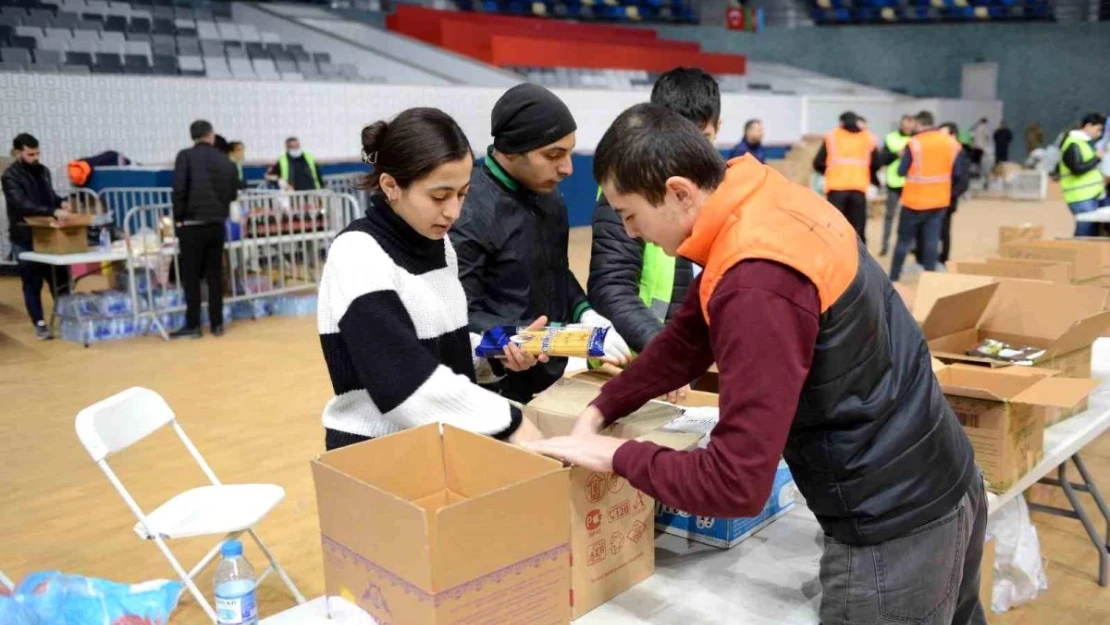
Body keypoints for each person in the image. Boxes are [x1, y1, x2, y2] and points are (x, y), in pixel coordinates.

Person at [526, 103, 986, 625]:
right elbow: (688, 338)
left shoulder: (757, 282)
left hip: (894, 528)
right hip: (937, 472)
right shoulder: (758, 200)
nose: (629, 233)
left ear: (679, 191)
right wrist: (603, 407)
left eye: (630, 214)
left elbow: (734, 484)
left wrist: (616, 456)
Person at [316, 107, 547, 451]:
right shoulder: (357, 254)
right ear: (391, 186)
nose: (454, 211)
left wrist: (495, 350)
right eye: (439, 196)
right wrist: (509, 419)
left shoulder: (439, 246)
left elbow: (439, 350)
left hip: (435, 443)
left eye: (463, 193)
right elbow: (403, 381)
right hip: (375, 453)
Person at [452, 83, 631, 403]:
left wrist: (586, 313)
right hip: (491, 390)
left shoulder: (551, 200)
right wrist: (555, 339)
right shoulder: (468, 211)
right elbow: (462, 315)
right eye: (553, 155)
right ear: (510, 151)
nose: (567, 168)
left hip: (549, 378)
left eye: (569, 152)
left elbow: (556, 272)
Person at [588, 67, 717, 403]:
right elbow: (611, 286)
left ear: (717, 129)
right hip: (641, 365)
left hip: (694, 361)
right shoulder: (625, 194)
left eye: (701, 141)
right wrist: (663, 349)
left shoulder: (718, 189)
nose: (688, 158)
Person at [171, 119, 239, 339]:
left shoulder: (185, 157)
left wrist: (178, 218)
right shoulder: (225, 160)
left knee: (191, 276)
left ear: (192, 136)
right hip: (217, 224)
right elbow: (231, 193)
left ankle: (193, 325)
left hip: (191, 225)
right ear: (211, 135)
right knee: (214, 275)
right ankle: (217, 324)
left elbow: (179, 189)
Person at [1, 133, 71, 340]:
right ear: (17, 153)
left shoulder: (43, 172)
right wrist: (52, 211)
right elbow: (21, 205)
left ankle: (66, 316)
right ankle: (39, 323)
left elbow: (49, 196)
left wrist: (60, 203)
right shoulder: (10, 177)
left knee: (60, 279)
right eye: (31, 154)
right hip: (24, 236)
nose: (36, 157)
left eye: (37, 153)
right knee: (32, 282)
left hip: (48, 235)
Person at [889, 110, 966, 282]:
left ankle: (893, 277)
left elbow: (902, 171)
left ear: (919, 124)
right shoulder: (952, 144)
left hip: (914, 202)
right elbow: (958, 173)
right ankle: (929, 278)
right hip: (939, 201)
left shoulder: (915, 143)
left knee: (903, 241)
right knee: (932, 241)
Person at [812, 111, 879, 243]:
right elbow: (876, 164)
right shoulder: (868, 138)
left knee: (834, 228)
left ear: (841, 122)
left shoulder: (832, 136)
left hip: (836, 188)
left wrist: (829, 171)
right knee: (857, 230)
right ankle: (858, 260)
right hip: (858, 189)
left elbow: (818, 162)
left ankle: (834, 258)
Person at [1059, 113, 1107, 236]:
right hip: (1080, 197)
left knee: (1090, 233)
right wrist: (1097, 158)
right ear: (1088, 126)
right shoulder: (1073, 144)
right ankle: (1077, 253)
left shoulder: (1086, 143)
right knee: (1084, 233)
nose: (1099, 133)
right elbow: (1077, 169)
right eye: (1098, 129)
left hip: (1091, 196)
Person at [879, 114, 915, 256]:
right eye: (904, 125)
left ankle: (911, 246)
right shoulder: (890, 138)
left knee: (911, 217)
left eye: (909, 126)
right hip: (893, 182)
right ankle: (885, 246)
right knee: (889, 216)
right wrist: (896, 154)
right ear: (900, 125)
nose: (907, 128)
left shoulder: (916, 139)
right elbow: (882, 159)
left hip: (911, 183)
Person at [937, 122, 972, 266]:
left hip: (948, 198)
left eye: (943, 134)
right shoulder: (942, 151)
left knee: (944, 229)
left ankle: (943, 258)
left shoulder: (959, 152)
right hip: (936, 197)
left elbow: (963, 181)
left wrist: (951, 195)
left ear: (953, 135)